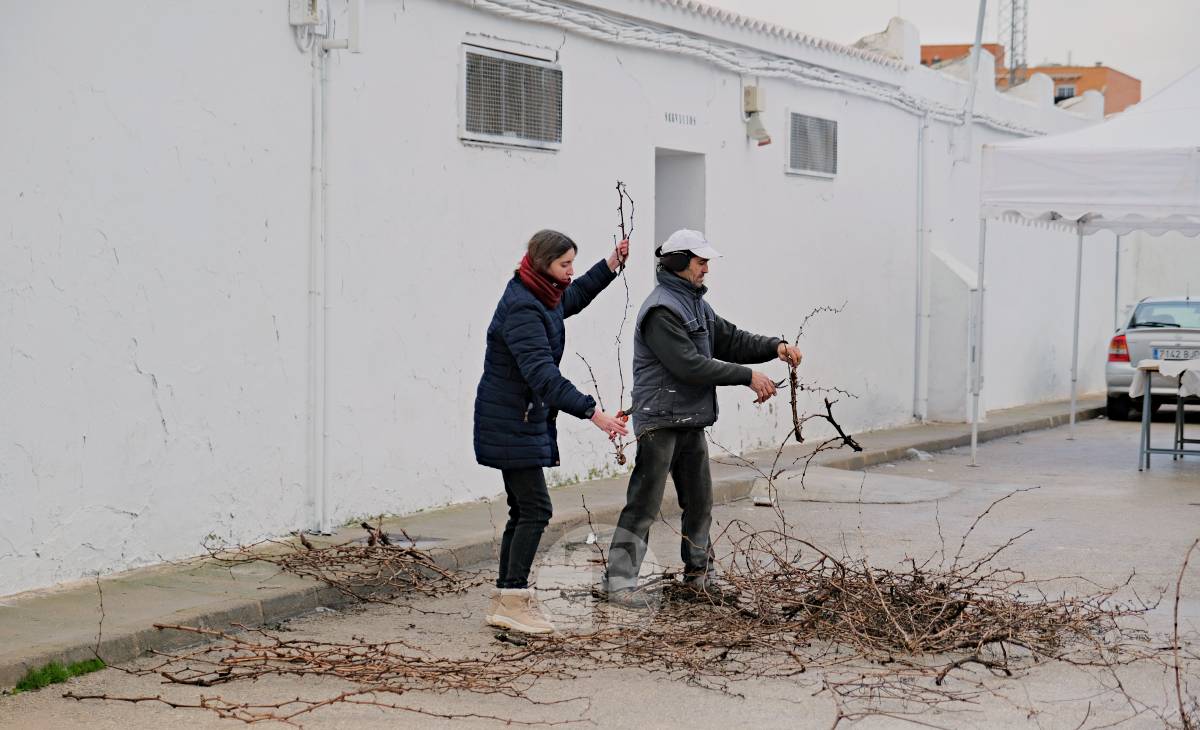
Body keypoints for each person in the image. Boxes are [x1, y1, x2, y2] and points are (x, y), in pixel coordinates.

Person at [602, 229, 802, 606]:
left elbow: (730, 338)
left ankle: (699, 576)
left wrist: (775, 347)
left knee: (700, 501)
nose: (707, 268)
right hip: (660, 420)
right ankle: (618, 581)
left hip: (690, 418)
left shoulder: (695, 304)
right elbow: (689, 366)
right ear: (679, 263)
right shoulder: (662, 309)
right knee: (644, 503)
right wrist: (747, 376)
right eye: (701, 261)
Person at [474, 229, 631, 634]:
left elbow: (571, 298)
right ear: (544, 264)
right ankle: (513, 598)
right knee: (536, 509)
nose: (570, 273)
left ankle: (507, 599)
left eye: (573, 265)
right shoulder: (524, 308)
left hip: (518, 418)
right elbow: (543, 375)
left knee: (522, 509)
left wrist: (610, 265)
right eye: (565, 265)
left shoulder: (539, 293)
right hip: (514, 420)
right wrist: (592, 412)